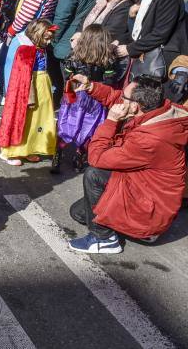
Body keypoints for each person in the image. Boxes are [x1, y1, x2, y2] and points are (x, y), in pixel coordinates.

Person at [67, 74, 188, 253]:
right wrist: (90, 86)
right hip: (143, 188)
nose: (120, 98)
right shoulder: (159, 108)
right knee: (77, 213)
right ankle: (119, 223)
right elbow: (116, 98)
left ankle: (104, 238)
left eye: (124, 97)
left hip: (149, 211)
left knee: (94, 174)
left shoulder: (150, 139)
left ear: (134, 105)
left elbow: (97, 157)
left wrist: (111, 121)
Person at [53, 25, 122, 174]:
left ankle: (57, 154)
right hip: (95, 99)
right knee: (89, 128)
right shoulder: (108, 60)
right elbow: (109, 82)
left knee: (68, 124)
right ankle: (79, 156)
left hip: (75, 96)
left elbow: (66, 76)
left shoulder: (74, 55)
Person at [0, 19, 58, 166]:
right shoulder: (25, 50)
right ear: (36, 34)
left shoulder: (42, 49)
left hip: (43, 86)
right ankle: (12, 151)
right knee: (24, 119)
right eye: (46, 38)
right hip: (29, 89)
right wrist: (27, 94)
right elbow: (20, 75)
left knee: (38, 119)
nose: (48, 42)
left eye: (50, 38)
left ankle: (29, 148)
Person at [116, 0, 188, 78]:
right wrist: (130, 18)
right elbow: (140, 31)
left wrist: (129, 48)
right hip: (147, 57)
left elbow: (160, 34)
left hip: (161, 61)